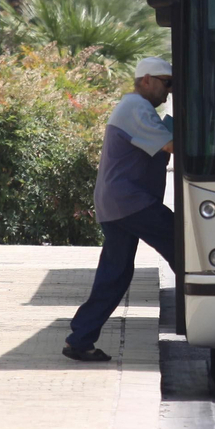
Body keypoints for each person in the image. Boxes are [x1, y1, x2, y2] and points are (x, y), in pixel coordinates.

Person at [65, 56, 177, 362]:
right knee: (186, 249)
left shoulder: (137, 110)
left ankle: (80, 339)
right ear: (146, 81)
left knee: (114, 274)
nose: (169, 91)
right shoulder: (136, 108)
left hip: (116, 203)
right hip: (131, 202)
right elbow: (171, 145)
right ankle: (211, 317)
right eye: (167, 84)